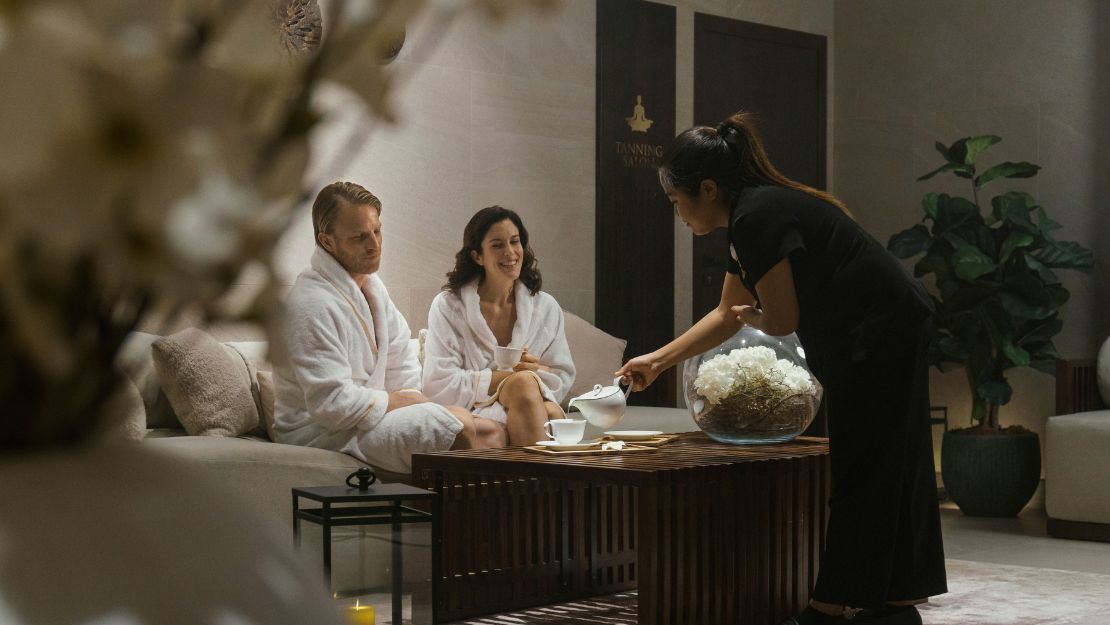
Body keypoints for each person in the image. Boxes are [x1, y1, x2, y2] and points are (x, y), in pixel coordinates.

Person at [615, 112, 947, 625]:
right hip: (890, 325)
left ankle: (829, 608)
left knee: (865, 469)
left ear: (708, 189)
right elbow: (726, 313)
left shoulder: (755, 217)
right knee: (891, 464)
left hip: (878, 333)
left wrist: (757, 317)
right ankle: (896, 604)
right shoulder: (750, 217)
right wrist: (657, 361)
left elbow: (780, 319)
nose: (676, 213)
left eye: (676, 200)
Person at [273, 182, 504, 474]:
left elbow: (402, 366)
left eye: (377, 231)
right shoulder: (310, 304)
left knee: (493, 432)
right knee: (454, 426)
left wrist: (409, 400)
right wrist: (396, 401)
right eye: (359, 237)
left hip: (366, 418)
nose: (374, 244)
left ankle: (500, 505)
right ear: (327, 242)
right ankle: (456, 505)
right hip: (319, 431)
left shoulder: (373, 289)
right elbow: (331, 404)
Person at [422, 206, 575, 446]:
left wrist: (534, 371)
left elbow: (562, 375)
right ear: (477, 256)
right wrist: (513, 379)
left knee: (548, 407)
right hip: (472, 409)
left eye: (515, 242)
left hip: (530, 405)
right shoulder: (450, 306)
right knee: (533, 394)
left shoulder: (545, 307)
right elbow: (438, 384)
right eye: (497, 245)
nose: (510, 252)